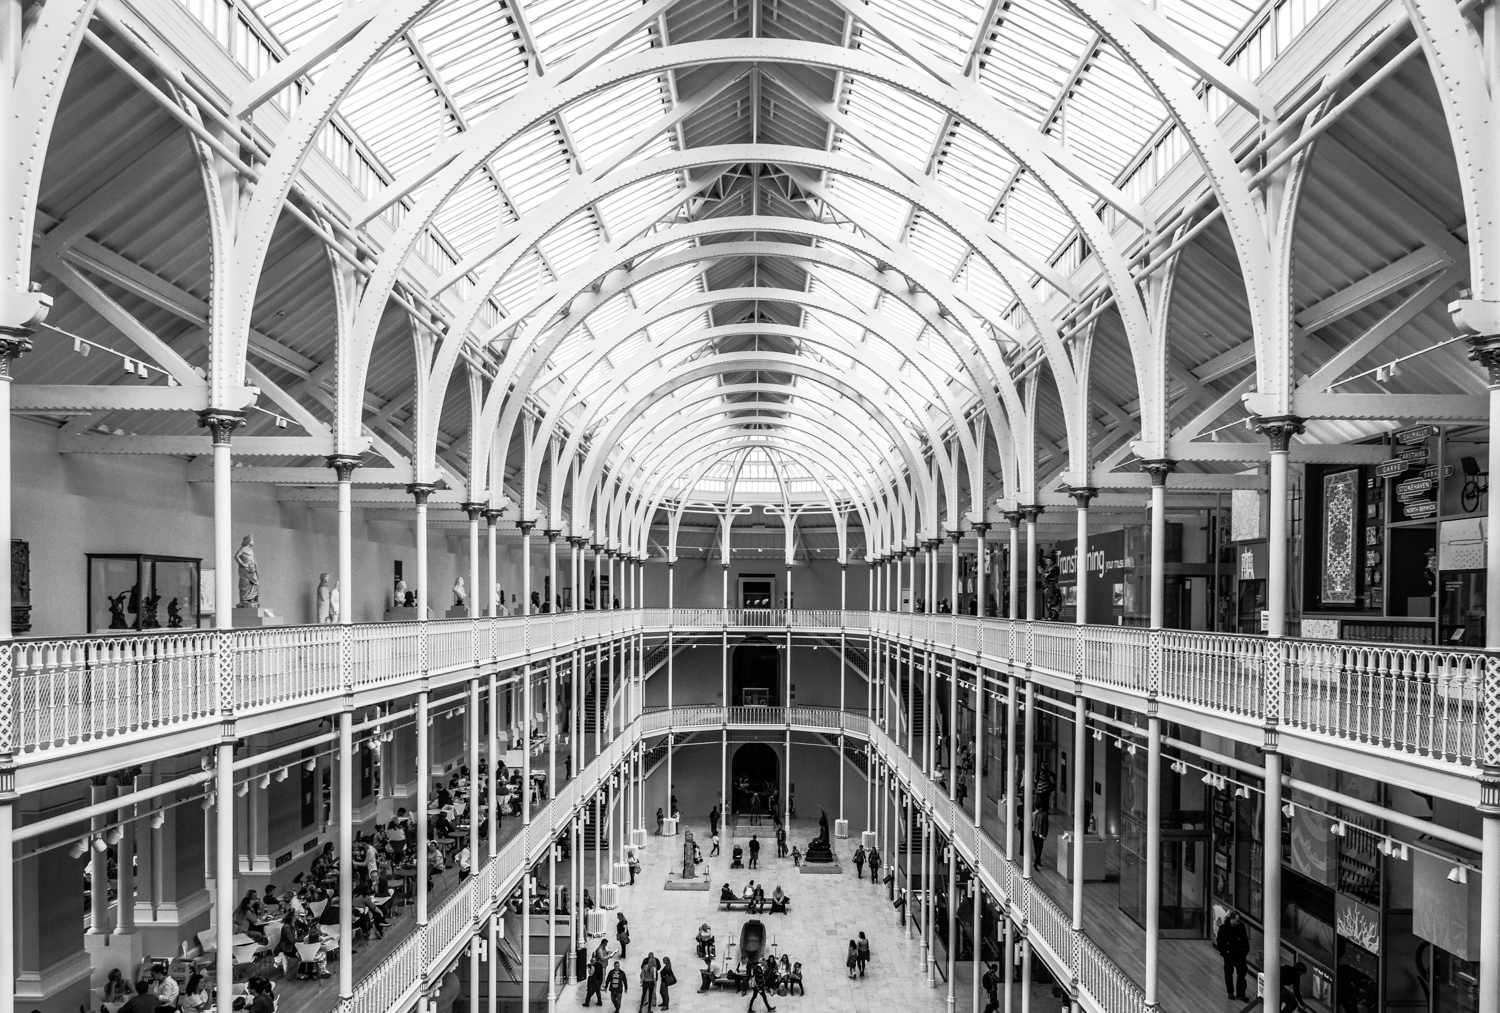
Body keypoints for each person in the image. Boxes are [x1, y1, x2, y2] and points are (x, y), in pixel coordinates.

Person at [1216, 910, 1251, 1000]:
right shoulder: (1224, 928)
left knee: (1241, 975)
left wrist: (1244, 952)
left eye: (1239, 921)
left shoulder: (1241, 927)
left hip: (1240, 955)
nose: (1238, 923)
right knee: (1228, 974)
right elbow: (1220, 943)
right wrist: (1225, 953)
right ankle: (1230, 992)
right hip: (1229, 956)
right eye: (1237, 921)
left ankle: (1241, 994)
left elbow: (1245, 941)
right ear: (1232, 919)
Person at [1031, 803, 1049, 871]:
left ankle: (1038, 860)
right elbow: (1046, 825)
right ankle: (1037, 861)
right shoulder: (1044, 815)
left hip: (1034, 831)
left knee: (1036, 847)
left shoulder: (1032, 814)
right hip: (1040, 832)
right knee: (1040, 847)